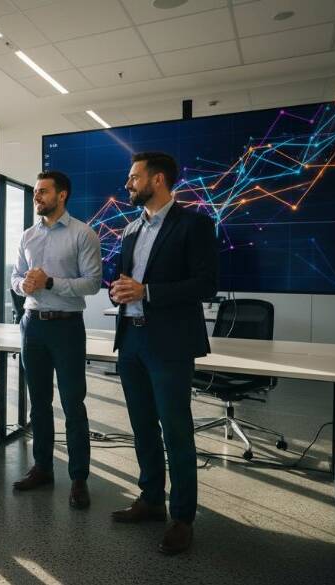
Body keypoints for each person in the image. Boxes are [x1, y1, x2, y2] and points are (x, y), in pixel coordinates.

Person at [109, 151, 218, 555]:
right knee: (142, 427)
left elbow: (206, 284)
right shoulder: (130, 230)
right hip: (132, 339)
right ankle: (152, 499)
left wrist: (147, 292)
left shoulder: (194, 224)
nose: (128, 185)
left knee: (176, 431)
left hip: (169, 343)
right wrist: (120, 290)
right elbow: (128, 281)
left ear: (157, 180)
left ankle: (183, 518)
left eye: (134, 178)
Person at [10, 170, 102, 509]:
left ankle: (79, 478)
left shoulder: (83, 234)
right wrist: (25, 286)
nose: (37, 197)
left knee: (73, 404)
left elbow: (92, 284)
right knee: (38, 402)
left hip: (67, 327)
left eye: (43, 192)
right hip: (32, 324)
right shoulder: (27, 236)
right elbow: (15, 278)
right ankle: (43, 468)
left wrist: (51, 283)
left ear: (61, 195)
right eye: (35, 192)